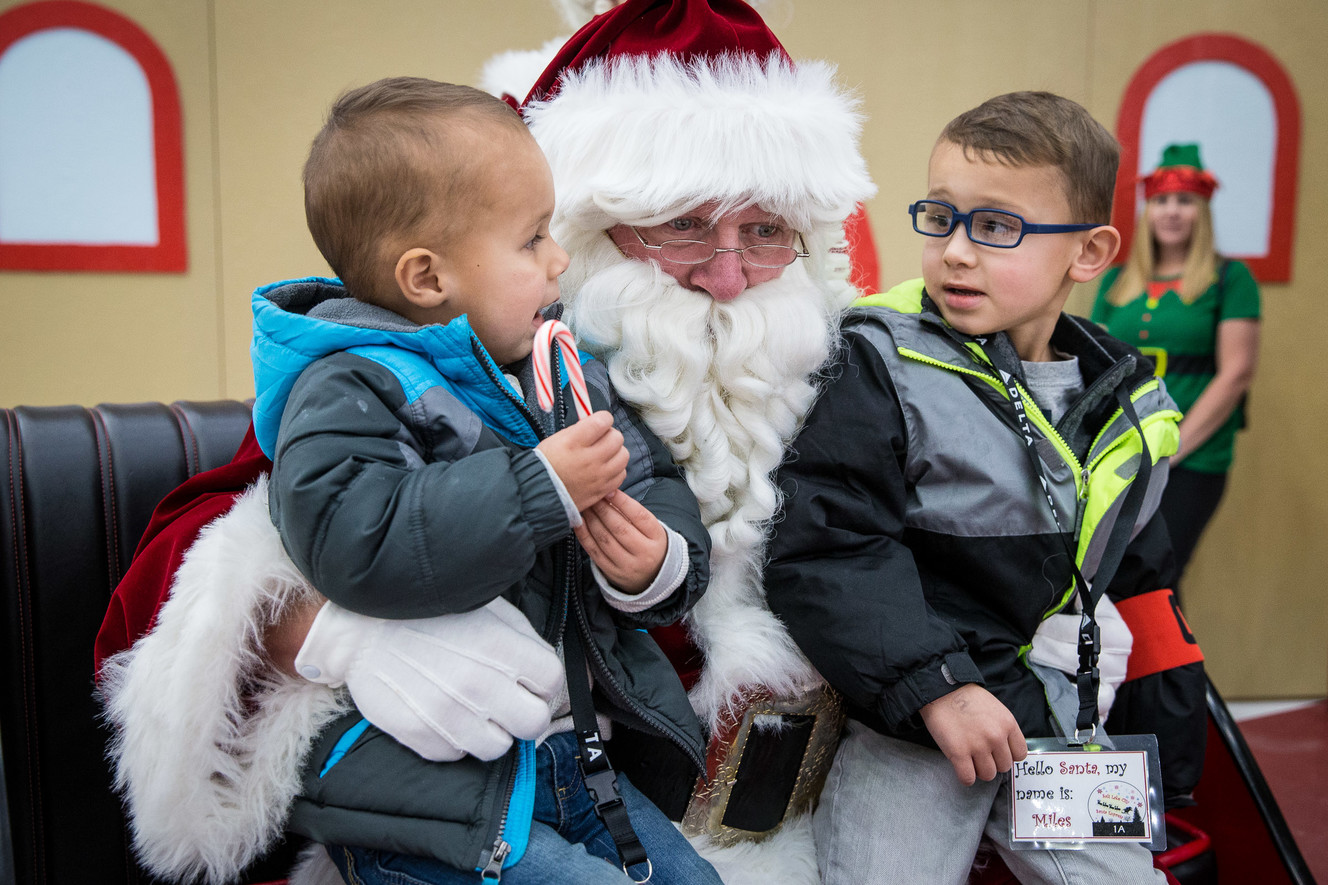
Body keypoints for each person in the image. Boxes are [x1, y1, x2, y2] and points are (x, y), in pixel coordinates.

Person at [94, 2, 875, 884]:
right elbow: (192, 562)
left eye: (766, 231)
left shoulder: (853, 380)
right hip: (503, 817)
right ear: (577, 240)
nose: (728, 277)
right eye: (681, 226)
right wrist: (334, 635)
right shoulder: (456, 369)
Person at [765, 91, 1207, 884]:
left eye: (997, 227)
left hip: (1055, 724)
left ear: (1090, 252)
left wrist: (1171, 760)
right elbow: (828, 547)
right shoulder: (879, 363)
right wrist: (937, 687)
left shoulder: (1132, 407)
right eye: (940, 217)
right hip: (919, 723)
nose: (957, 252)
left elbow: (1142, 582)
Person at [1092, 143, 1261, 592]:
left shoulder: (1230, 279)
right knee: (1115, 574)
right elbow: (1097, 363)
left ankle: (1174, 666)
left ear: (1202, 211)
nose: (1171, 211)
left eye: (1184, 201)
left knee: (1158, 571)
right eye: (1161, 200)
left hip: (1193, 455)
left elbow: (1237, 372)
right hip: (1126, 450)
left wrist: (1174, 448)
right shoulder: (1116, 278)